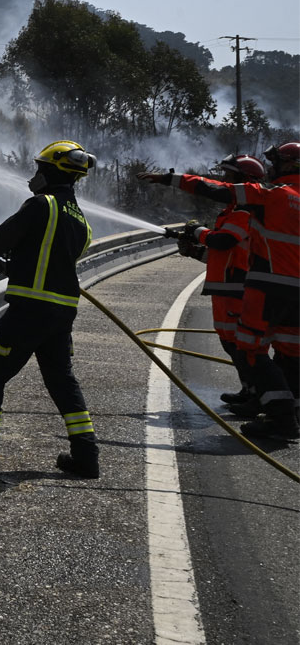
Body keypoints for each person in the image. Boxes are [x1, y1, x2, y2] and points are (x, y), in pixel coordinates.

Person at [0, 140, 99, 477]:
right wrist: (10, 267)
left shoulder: (40, 205)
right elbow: (48, 262)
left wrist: (1, 254)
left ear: (50, 171)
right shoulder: (82, 222)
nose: (34, 175)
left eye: (39, 169)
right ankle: (86, 456)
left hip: (29, 311)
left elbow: (3, 238)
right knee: (61, 381)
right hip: (61, 314)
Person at [139, 142, 300, 440]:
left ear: (290, 165)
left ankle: (281, 419)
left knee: (250, 349)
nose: (272, 167)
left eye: (276, 161)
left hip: (270, 284)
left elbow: (214, 189)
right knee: (291, 351)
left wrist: (170, 179)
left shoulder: (269, 196)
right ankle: (292, 413)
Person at [171, 154, 267, 414]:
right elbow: (223, 256)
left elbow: (222, 242)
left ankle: (259, 396)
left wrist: (196, 232)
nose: (225, 180)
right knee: (230, 343)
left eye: (230, 176)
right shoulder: (232, 212)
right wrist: (194, 251)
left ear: (244, 181)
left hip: (238, 289)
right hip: (226, 288)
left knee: (244, 346)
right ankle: (249, 389)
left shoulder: (246, 211)